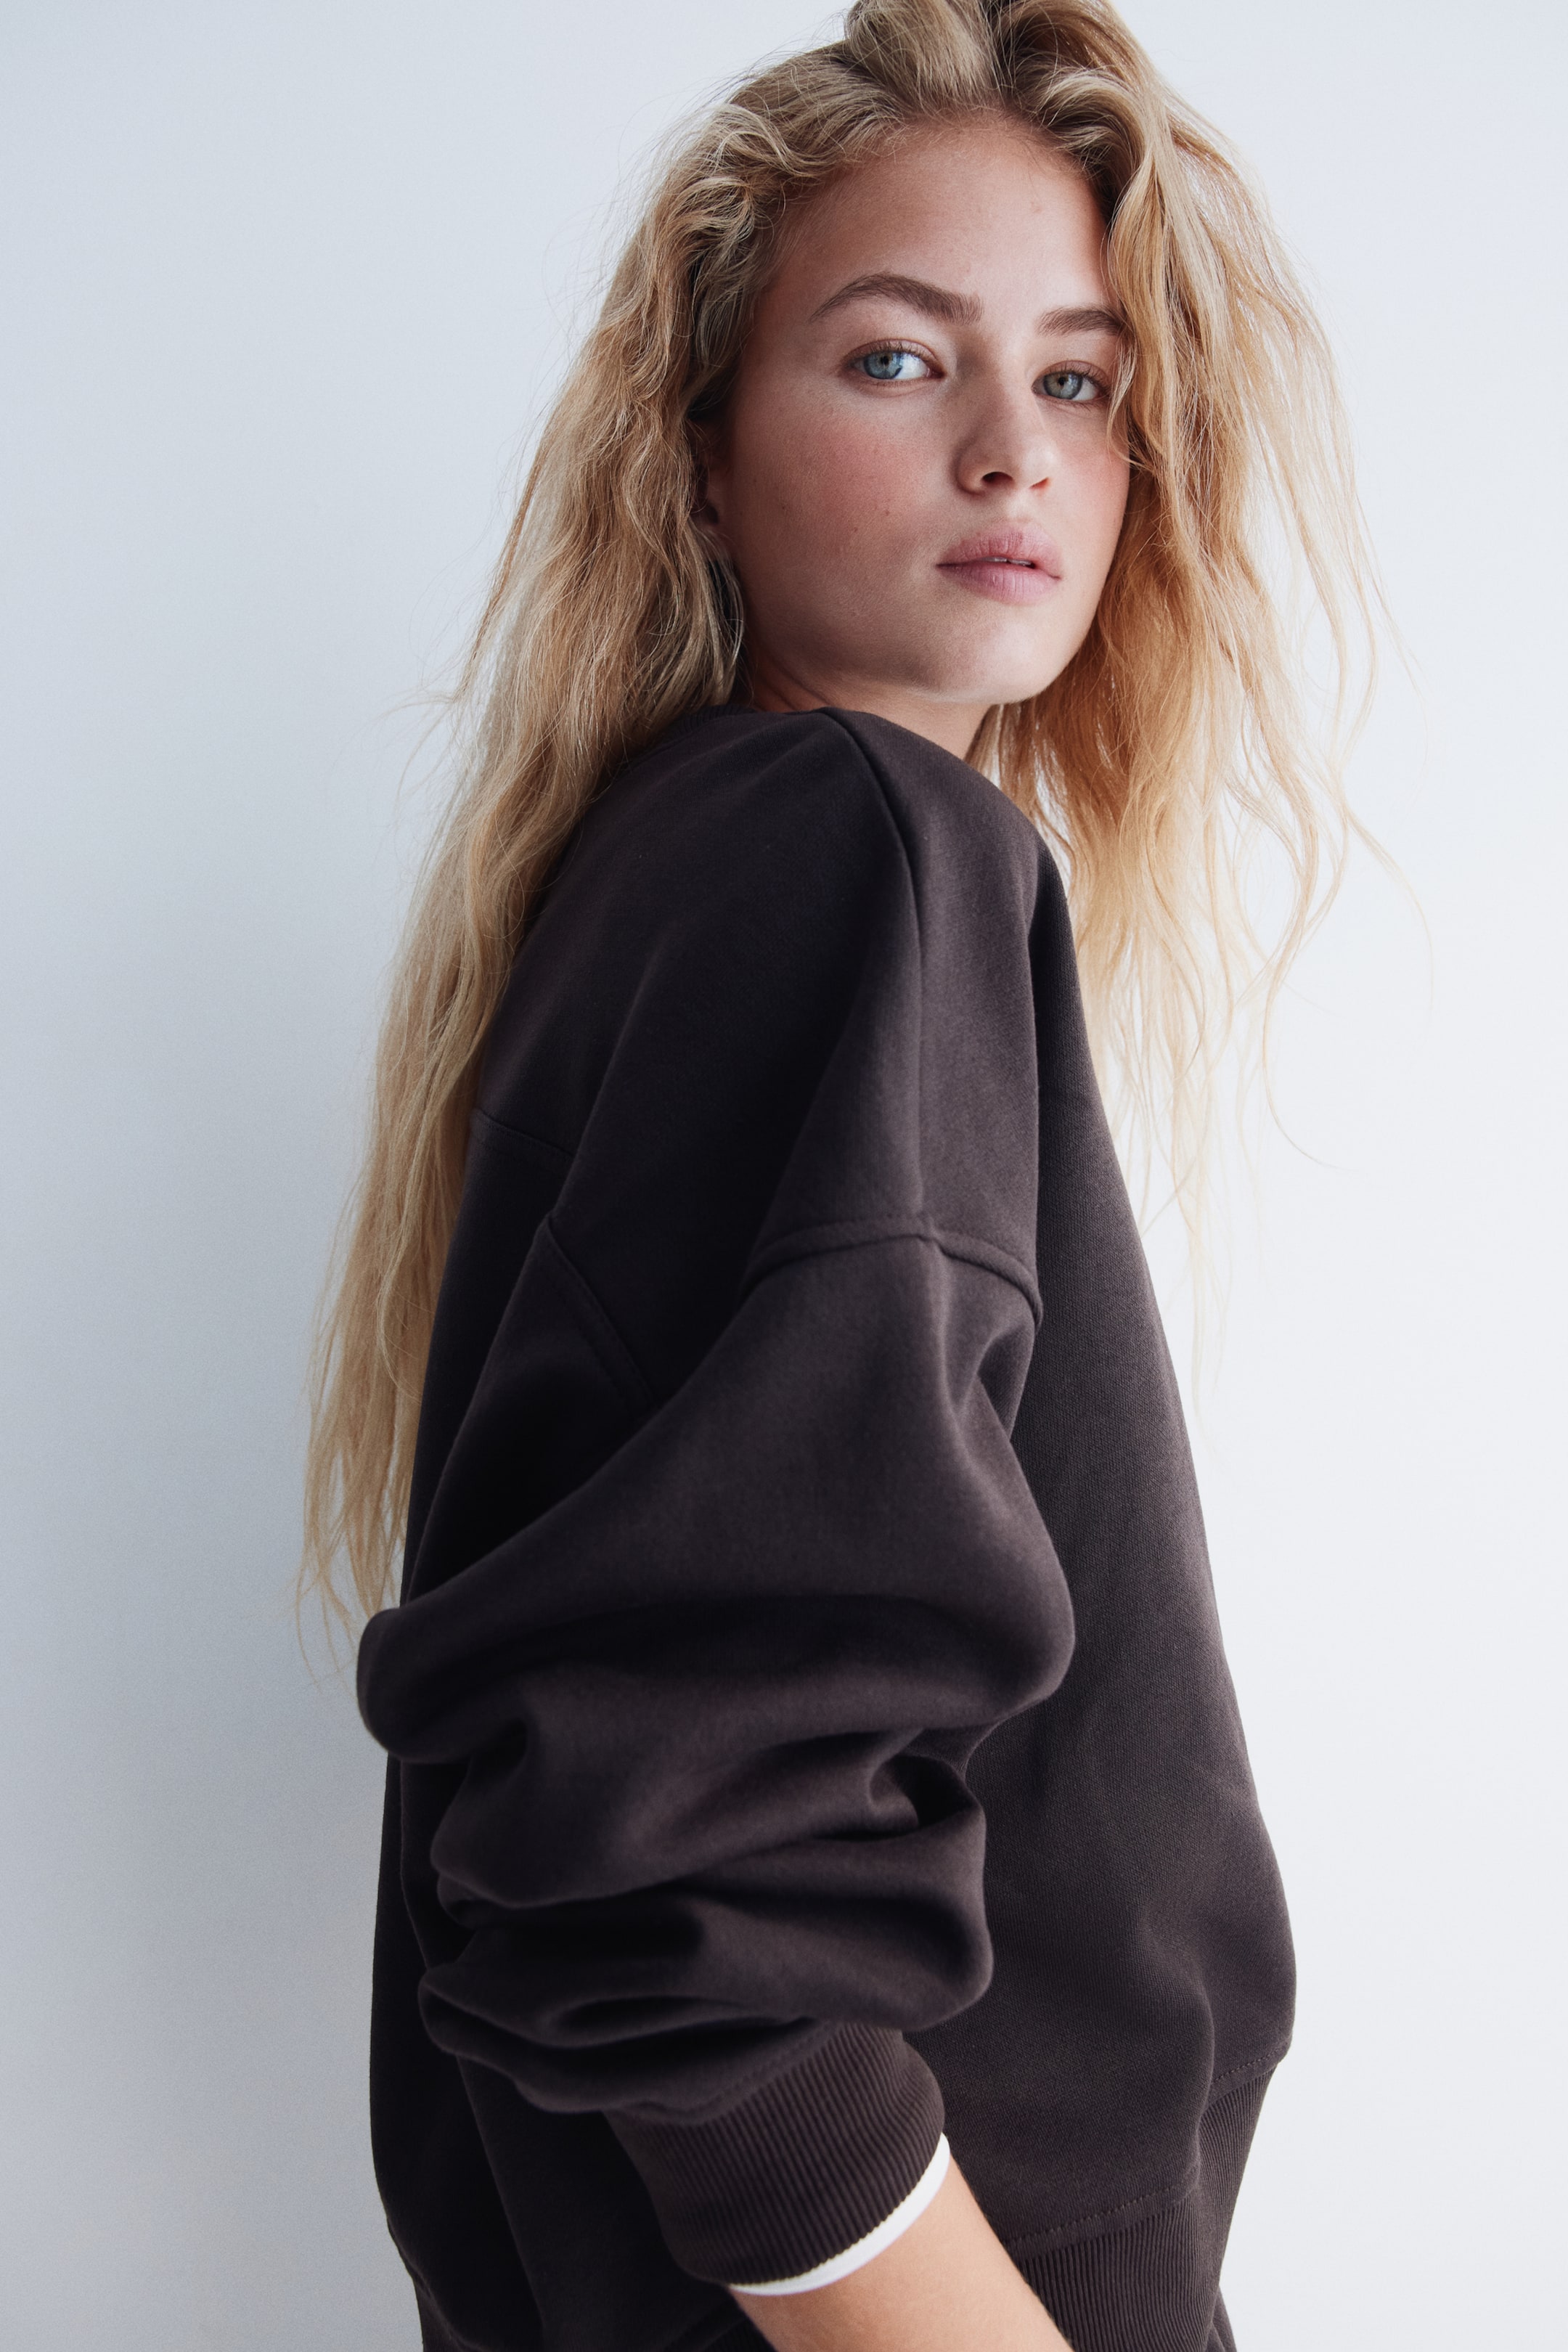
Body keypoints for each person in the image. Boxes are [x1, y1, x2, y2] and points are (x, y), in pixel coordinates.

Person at [303, 4, 1377, 2347]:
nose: (1014, 448)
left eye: (1082, 380)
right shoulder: (847, 848)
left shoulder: (683, 879)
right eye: (898, 360)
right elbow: (683, 1870)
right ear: (698, 460)